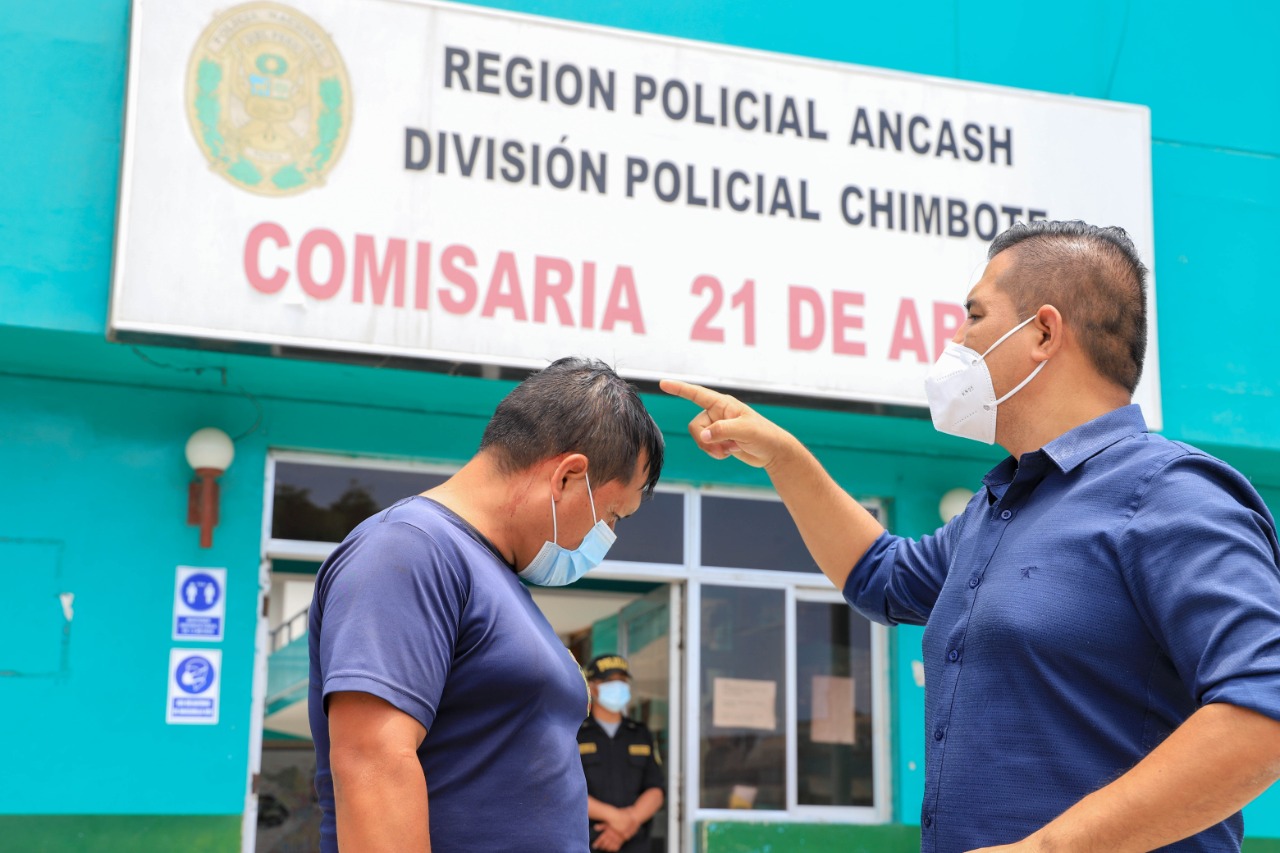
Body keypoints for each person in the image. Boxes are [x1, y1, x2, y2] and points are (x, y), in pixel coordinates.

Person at [662, 220, 1280, 852]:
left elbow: (1265, 711)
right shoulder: (1002, 507)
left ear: (1043, 332)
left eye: (974, 316)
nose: (957, 340)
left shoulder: (1171, 493)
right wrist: (784, 457)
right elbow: (880, 575)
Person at [308, 356, 665, 852]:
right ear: (567, 476)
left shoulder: (496, 575)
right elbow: (374, 761)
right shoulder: (409, 548)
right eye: (611, 514)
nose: (606, 536)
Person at [578, 654, 666, 852]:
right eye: (610, 681)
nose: (618, 686)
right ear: (592, 687)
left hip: (636, 843)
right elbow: (568, 789)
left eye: (623, 681)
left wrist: (630, 821)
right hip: (591, 842)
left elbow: (656, 790)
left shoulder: (640, 733)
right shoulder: (577, 733)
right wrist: (615, 818)